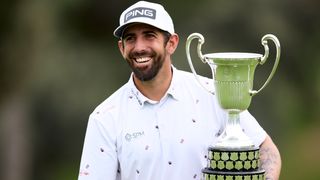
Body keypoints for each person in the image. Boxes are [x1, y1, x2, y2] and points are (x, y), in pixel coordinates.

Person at [78, 1, 281, 180]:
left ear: (172, 43)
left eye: (149, 36)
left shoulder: (213, 93)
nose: (139, 47)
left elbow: (266, 150)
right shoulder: (105, 117)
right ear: (121, 47)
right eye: (131, 38)